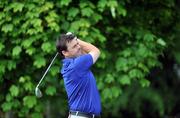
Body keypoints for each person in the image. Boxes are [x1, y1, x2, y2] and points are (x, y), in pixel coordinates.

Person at [56, 32, 101, 118]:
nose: (79, 46)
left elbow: (84, 54)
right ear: (65, 52)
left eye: (77, 44)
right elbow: (96, 51)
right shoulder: (77, 65)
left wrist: (74, 41)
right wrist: (77, 40)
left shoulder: (73, 64)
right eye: (74, 46)